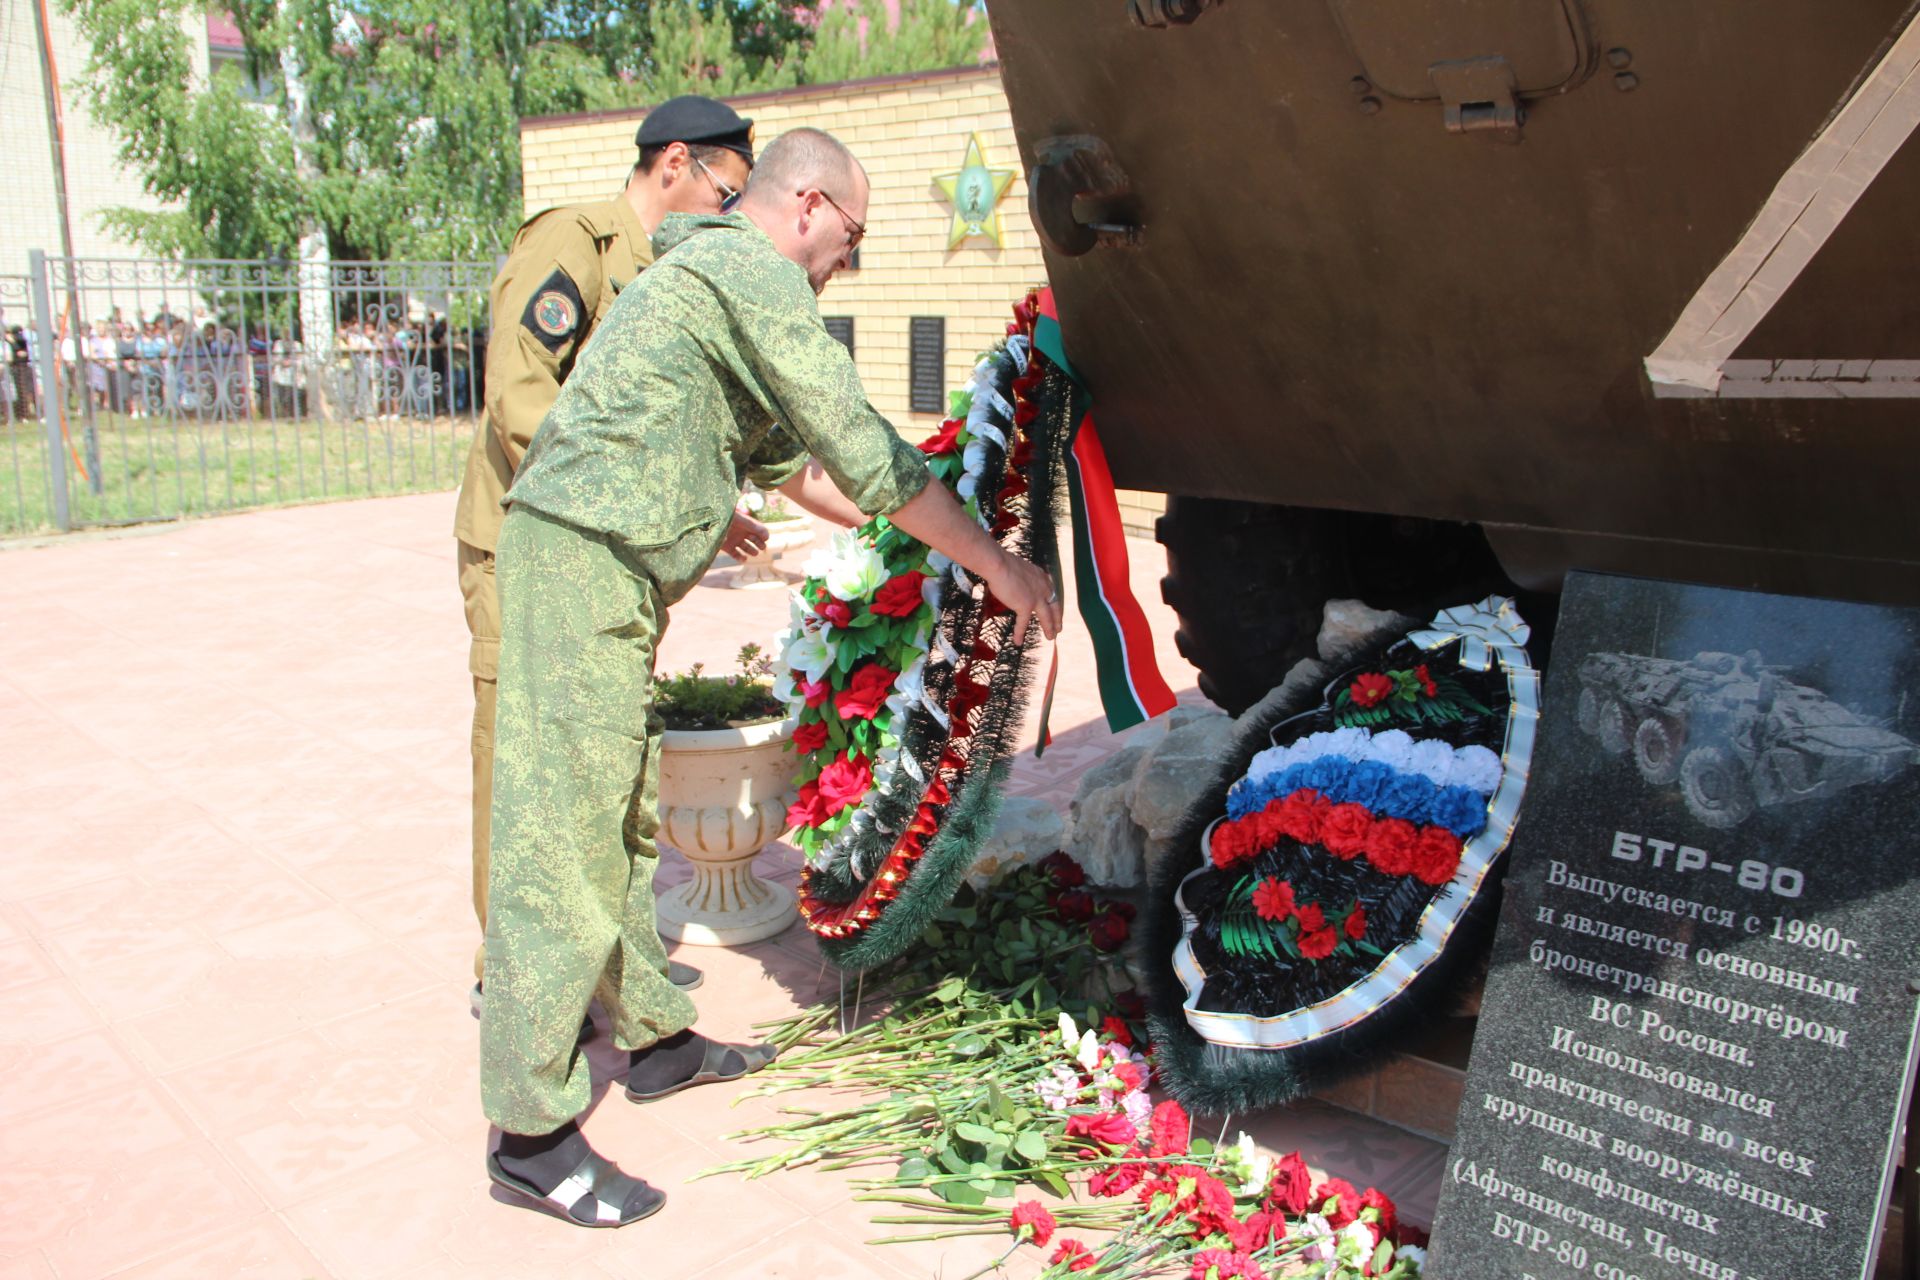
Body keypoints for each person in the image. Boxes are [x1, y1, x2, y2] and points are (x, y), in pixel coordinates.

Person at [478, 125, 1063, 1228]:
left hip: (607, 565)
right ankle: (530, 1131)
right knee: (561, 834)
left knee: (620, 817)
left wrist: (920, 543)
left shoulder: (716, 275)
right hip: (579, 555)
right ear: (808, 206)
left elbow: (799, 466)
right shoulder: (751, 270)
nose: (850, 260)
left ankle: (653, 1039)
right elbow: (861, 448)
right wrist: (994, 559)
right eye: (853, 236)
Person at [453, 95, 772, 1009]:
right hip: (522, 549)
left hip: (601, 563)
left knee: (599, 761)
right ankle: (509, 976)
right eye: (725, 193)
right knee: (522, 756)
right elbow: (521, 403)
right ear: (674, 164)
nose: (727, 217)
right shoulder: (575, 247)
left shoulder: (662, 275)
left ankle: (602, 962)